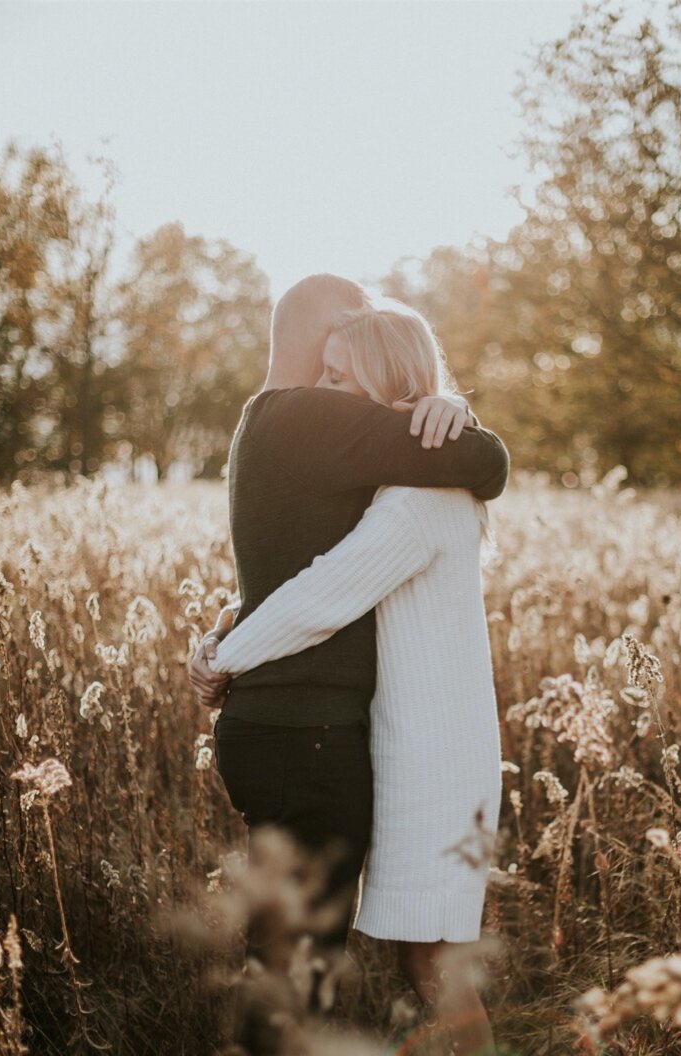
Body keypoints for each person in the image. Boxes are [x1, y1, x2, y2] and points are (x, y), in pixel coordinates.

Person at [187, 276, 507, 1014]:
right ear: (315, 340)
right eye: (332, 360)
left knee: (314, 956)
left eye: (349, 366)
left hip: (300, 729)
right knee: (305, 963)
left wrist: (226, 638)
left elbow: (320, 565)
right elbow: (483, 464)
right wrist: (455, 418)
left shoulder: (266, 422)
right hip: (306, 734)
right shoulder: (309, 419)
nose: (337, 383)